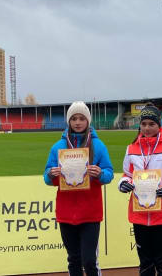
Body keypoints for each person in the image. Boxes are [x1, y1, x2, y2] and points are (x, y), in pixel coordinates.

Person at [43, 101, 113, 276]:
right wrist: (51, 173)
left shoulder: (98, 146)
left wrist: (100, 173)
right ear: (69, 122)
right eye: (74, 118)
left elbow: (109, 173)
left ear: (88, 121)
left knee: (89, 261)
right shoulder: (57, 147)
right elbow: (46, 177)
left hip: (90, 212)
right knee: (73, 259)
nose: (78, 122)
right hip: (66, 213)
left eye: (82, 118)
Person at [118, 103, 162, 276]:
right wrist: (123, 183)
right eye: (144, 124)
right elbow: (126, 174)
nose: (147, 128)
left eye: (151, 124)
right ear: (139, 125)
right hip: (139, 213)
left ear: (159, 125)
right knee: (145, 263)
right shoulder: (131, 149)